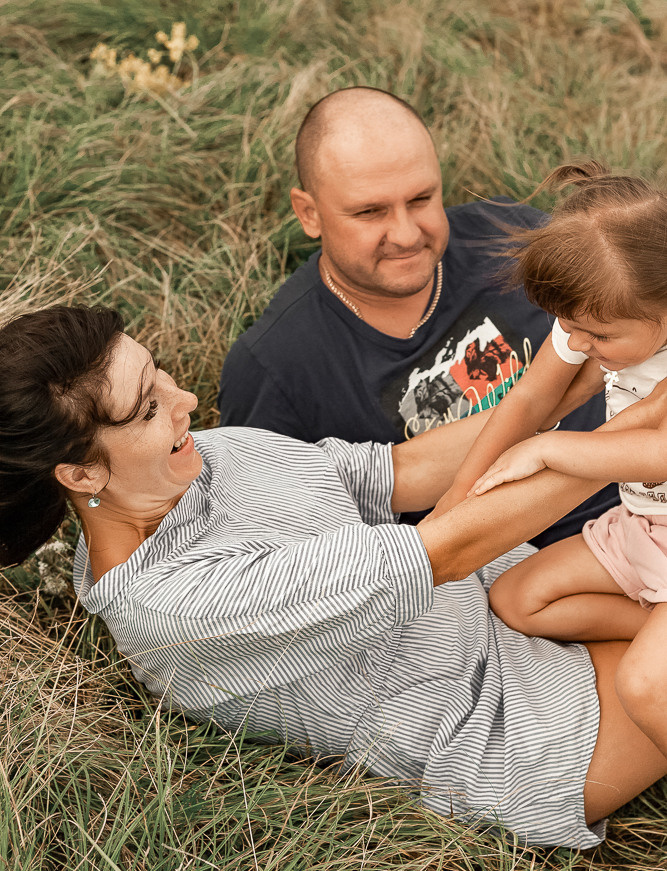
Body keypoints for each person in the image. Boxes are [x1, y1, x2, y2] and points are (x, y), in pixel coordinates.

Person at [3, 304, 666, 850]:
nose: (186, 400)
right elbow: (443, 551)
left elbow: (397, 472)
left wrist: (571, 377)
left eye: (160, 377)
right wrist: (632, 434)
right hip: (511, 725)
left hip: (515, 598)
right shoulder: (172, 607)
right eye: (148, 409)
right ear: (82, 474)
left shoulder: (203, 457)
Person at [217, 86, 617, 546]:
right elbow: (264, 535)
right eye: (370, 212)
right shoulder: (274, 367)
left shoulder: (510, 236)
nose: (406, 234)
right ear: (309, 213)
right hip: (523, 579)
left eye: (422, 199)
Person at [440, 162, 667, 759]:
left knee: (644, 687)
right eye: (570, 328)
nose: (581, 346)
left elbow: (659, 452)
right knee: (517, 601)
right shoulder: (595, 315)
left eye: (598, 336)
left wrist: (547, 447)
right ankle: (653, 624)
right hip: (642, 528)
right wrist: (454, 501)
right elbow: (530, 398)